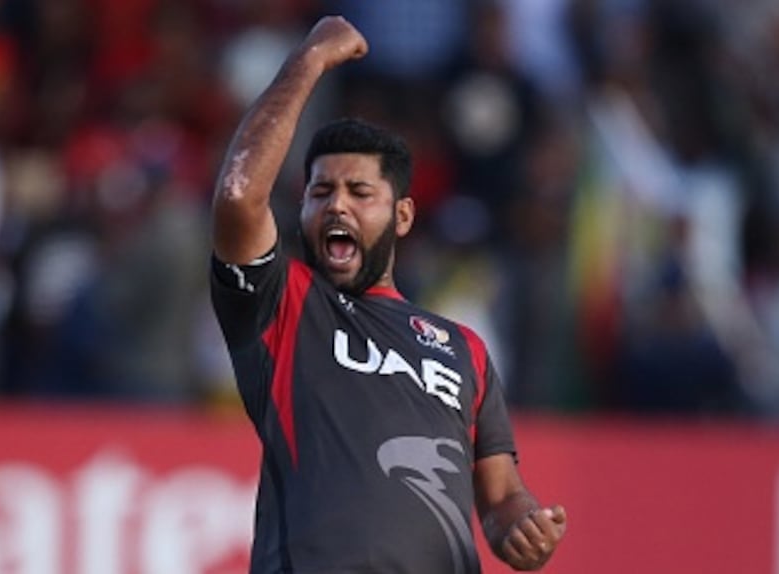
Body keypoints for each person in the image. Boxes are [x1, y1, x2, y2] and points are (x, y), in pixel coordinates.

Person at [210, 16, 567, 573]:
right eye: (320, 191)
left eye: (359, 192)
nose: (336, 205)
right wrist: (308, 63)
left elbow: (500, 498)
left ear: (402, 215)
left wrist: (522, 526)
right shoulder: (284, 305)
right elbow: (237, 199)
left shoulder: (462, 348)